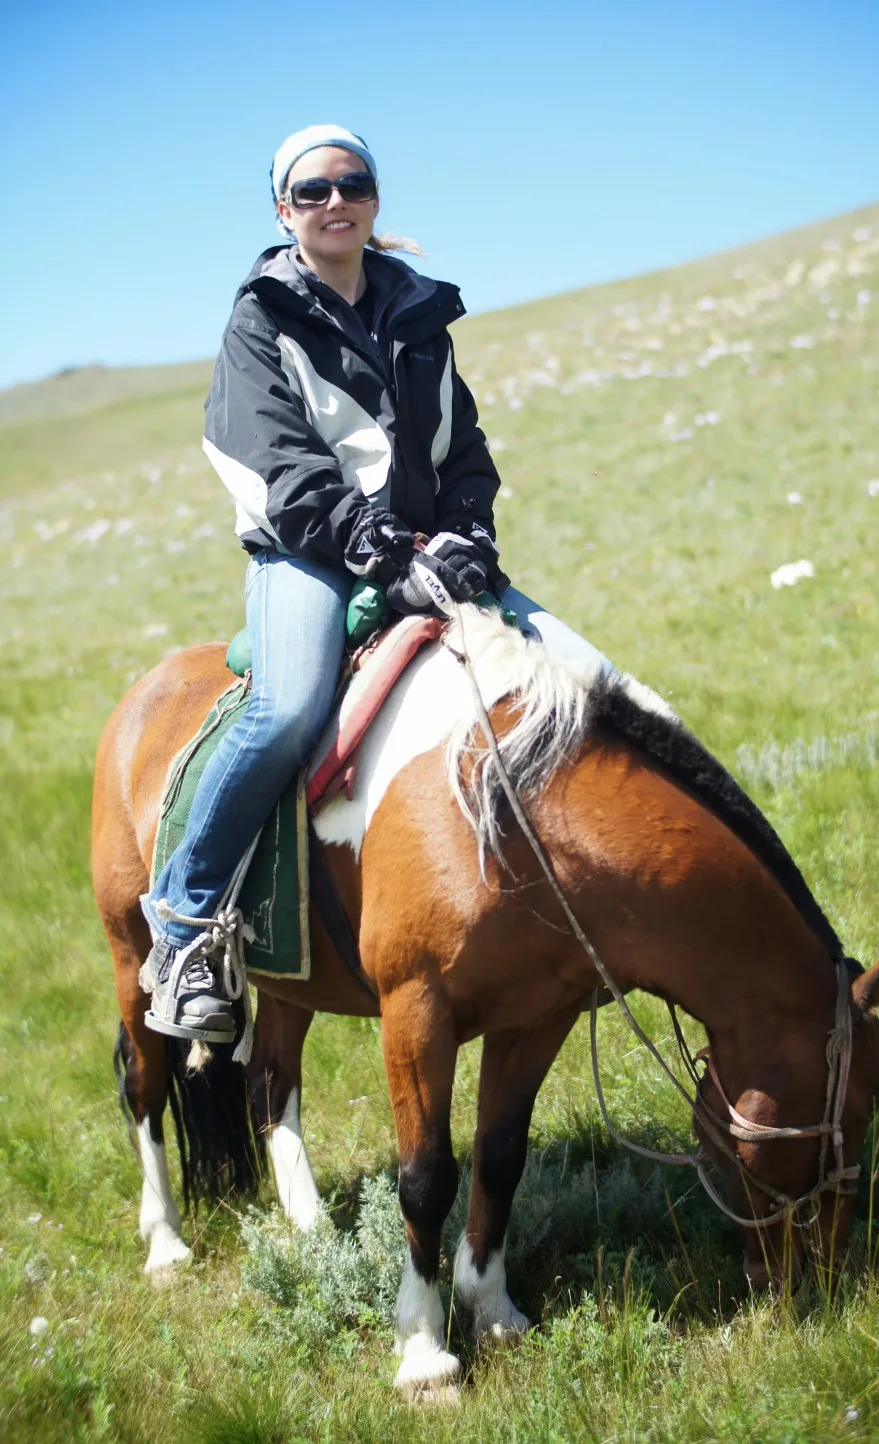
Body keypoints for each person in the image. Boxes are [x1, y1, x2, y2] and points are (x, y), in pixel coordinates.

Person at [140, 124, 608, 1044]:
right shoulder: (262, 316)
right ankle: (185, 928)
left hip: (432, 549)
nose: (334, 201)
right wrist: (379, 549)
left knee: (586, 676)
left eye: (350, 183)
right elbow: (274, 458)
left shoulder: (421, 311)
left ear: (374, 197)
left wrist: (470, 533)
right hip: (307, 552)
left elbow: (462, 446)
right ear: (285, 210)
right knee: (284, 706)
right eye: (311, 191)